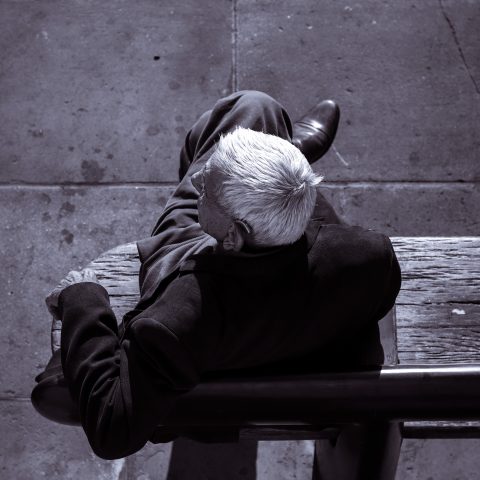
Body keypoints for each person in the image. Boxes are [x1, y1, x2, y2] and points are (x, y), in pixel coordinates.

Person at [31, 90, 401, 460]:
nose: (198, 182)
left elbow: (112, 429)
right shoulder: (371, 256)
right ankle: (281, 170)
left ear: (234, 235)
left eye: (206, 190)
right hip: (261, 269)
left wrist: (82, 296)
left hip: (199, 269)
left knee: (248, 109)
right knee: (260, 109)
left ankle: (277, 155)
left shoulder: (176, 318)